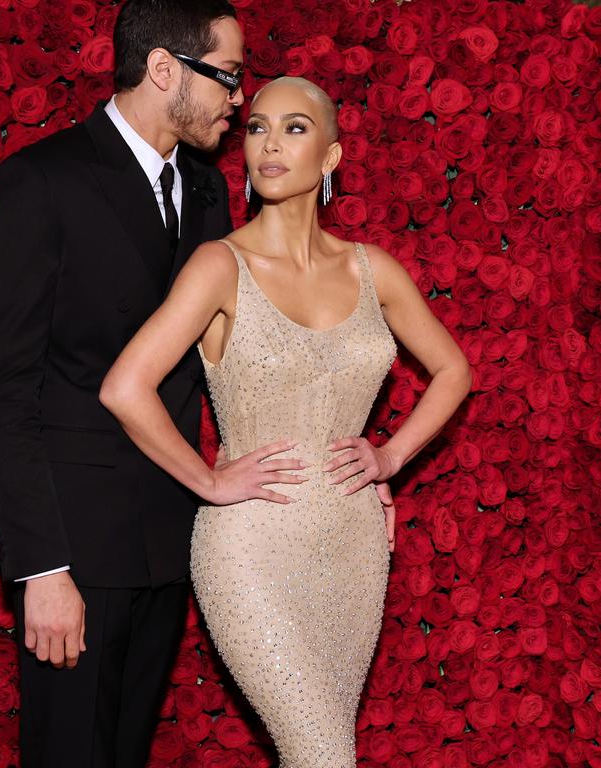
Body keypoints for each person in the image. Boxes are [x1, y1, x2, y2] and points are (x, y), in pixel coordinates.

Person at [100, 77, 473, 766]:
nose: (270, 144)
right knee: (324, 751)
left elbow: (454, 371)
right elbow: (126, 387)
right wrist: (206, 480)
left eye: (295, 128)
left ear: (330, 157)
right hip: (250, 549)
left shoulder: (374, 270)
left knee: (324, 752)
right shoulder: (220, 266)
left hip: (354, 547)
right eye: (258, 127)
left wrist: (390, 460)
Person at [0, 1, 246, 764]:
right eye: (226, 77)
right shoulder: (44, 180)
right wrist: (43, 569)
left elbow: (225, 365)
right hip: (77, 553)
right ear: (165, 69)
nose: (236, 98)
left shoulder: (209, 193)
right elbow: (4, 389)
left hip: (169, 543)